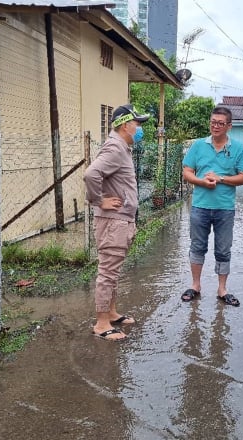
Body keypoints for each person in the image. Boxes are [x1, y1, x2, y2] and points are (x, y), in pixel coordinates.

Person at [84, 104, 150, 340]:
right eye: (138, 123)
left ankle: (111, 313)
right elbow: (91, 174)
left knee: (113, 271)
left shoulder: (122, 147)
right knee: (108, 272)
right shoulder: (115, 147)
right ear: (125, 125)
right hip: (113, 222)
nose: (140, 128)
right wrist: (98, 200)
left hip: (121, 220)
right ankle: (102, 324)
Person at [181, 106, 243, 306]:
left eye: (221, 123)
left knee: (223, 249)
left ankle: (222, 289)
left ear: (229, 126)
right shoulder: (198, 146)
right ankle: (195, 285)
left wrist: (220, 179)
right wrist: (202, 182)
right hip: (200, 206)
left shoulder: (237, 148)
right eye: (213, 122)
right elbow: (187, 172)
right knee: (197, 246)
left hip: (224, 208)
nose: (216, 126)